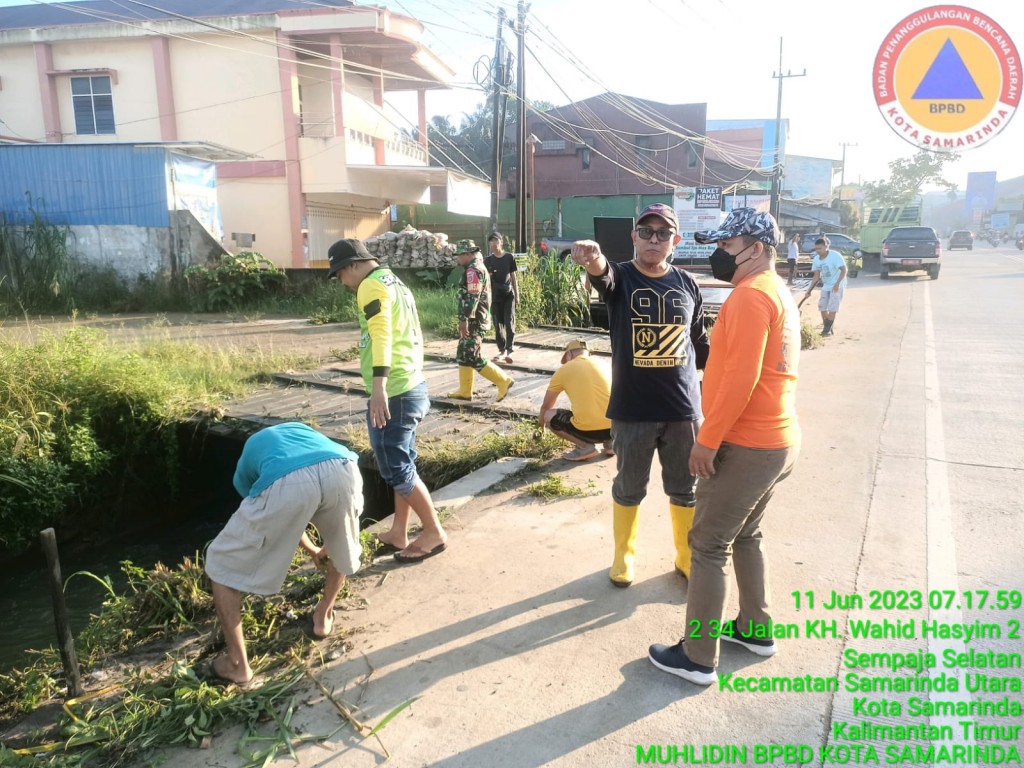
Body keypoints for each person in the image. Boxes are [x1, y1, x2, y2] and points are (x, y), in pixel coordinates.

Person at [648, 207, 801, 686]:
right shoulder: (776, 292)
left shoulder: (750, 297)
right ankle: (755, 628)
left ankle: (697, 656)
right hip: (777, 441)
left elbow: (742, 378)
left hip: (747, 444)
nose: (718, 253)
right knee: (747, 535)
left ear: (755, 249)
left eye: (726, 245)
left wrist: (707, 441)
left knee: (708, 544)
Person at [571, 203, 709, 588]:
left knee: (685, 489)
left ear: (674, 241)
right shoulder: (622, 278)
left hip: (683, 410)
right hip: (633, 410)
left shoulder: (687, 284)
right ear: (634, 237)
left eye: (662, 233)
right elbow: (602, 274)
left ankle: (685, 555)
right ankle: (624, 555)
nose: (653, 239)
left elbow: (699, 343)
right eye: (645, 232)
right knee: (629, 486)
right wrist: (594, 257)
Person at [204, 421, 363, 685]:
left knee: (220, 565)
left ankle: (237, 664)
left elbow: (280, 506)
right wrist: (313, 548)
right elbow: (305, 497)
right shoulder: (302, 431)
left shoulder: (249, 456)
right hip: (343, 467)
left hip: (289, 481)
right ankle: (323, 617)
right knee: (341, 546)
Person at [327, 238, 448, 563]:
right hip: (410, 383)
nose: (341, 282)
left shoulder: (370, 286)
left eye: (339, 274)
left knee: (395, 468)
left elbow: (381, 335)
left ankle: (433, 532)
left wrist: (379, 387)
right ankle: (399, 531)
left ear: (353, 264)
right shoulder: (395, 282)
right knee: (403, 463)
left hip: (394, 389)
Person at [446, 239, 515, 402]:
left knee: (471, 355)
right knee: (463, 353)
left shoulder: (473, 270)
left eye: (459, 256)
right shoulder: (476, 267)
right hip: (475, 319)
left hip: (474, 320)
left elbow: (472, 296)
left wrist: (464, 319)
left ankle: (503, 380)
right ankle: (465, 390)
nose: (457, 259)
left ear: (468, 254)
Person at [538, 338, 613, 462]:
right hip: (615, 427)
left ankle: (585, 448)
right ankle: (612, 444)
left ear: (569, 354)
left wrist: (541, 428)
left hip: (586, 431)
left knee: (549, 415)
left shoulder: (564, 370)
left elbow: (547, 406)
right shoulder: (605, 364)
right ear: (588, 353)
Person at [484, 232, 520, 363]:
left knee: (509, 322)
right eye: (491, 241)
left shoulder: (509, 257)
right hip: (494, 296)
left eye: (495, 241)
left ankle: (510, 350)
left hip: (508, 294)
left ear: (501, 242)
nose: (493, 244)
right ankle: (501, 350)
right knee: (497, 324)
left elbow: (513, 276)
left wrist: (517, 294)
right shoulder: (488, 260)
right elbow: (486, 281)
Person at [805, 237, 847, 336]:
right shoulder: (816, 259)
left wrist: (837, 284)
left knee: (833, 307)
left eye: (820, 248)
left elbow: (844, 270)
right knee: (822, 306)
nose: (818, 251)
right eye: (816, 249)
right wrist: (809, 290)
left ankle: (826, 330)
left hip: (838, 284)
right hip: (826, 284)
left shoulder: (835, 256)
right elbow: (816, 276)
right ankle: (828, 325)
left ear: (826, 247)